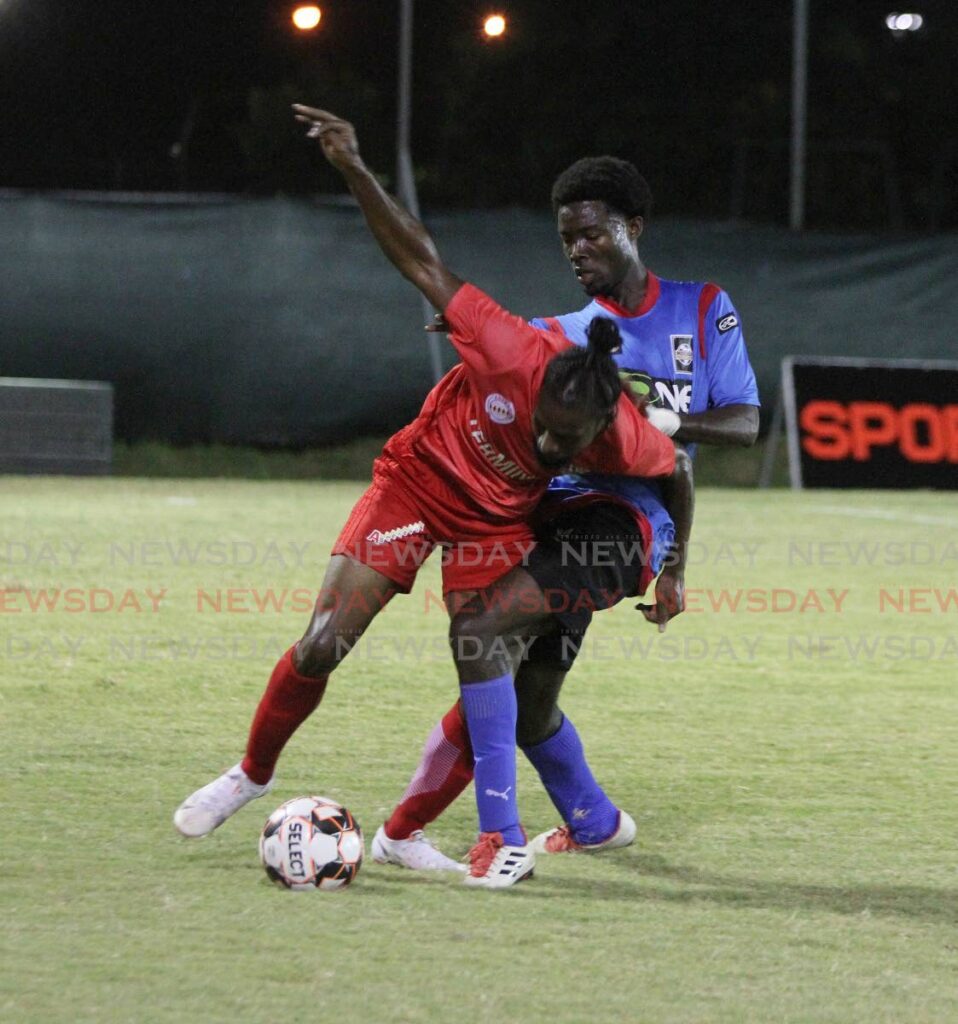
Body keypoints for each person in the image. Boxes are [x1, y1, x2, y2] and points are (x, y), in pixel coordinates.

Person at [173, 107, 684, 890]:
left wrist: (675, 565)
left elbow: (674, 473)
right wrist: (353, 168)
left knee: (490, 666)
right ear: (531, 392)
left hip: (499, 521)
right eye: (544, 433)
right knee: (323, 643)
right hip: (417, 484)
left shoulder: (620, 431)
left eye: (568, 445)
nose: (553, 450)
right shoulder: (511, 348)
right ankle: (251, 774)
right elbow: (419, 258)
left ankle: (417, 835)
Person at [371, 155, 759, 870]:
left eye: (592, 235)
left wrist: (667, 429)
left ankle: (473, 838)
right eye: (567, 241)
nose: (578, 251)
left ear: (632, 227)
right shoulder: (561, 332)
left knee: (483, 633)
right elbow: (509, 351)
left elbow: (742, 423)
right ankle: (595, 821)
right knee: (527, 697)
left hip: (624, 532)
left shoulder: (704, 308)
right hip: (555, 522)